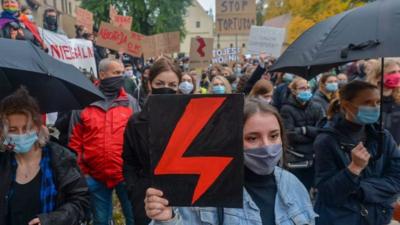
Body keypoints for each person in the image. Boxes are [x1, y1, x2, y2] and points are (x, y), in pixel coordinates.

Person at [144, 98, 317, 225]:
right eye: (252, 138)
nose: (266, 146)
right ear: (233, 140)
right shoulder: (205, 190)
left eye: (273, 136)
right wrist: (167, 220)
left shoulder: (293, 185)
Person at [314, 80, 400, 225]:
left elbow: (396, 179)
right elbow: (328, 193)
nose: (375, 107)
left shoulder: (382, 136)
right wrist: (353, 169)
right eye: (367, 103)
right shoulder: (326, 141)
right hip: (341, 220)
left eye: (377, 102)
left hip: (377, 217)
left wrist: (360, 189)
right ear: (347, 105)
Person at [0, 87, 89, 225]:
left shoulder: (60, 158)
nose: (21, 134)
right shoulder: (3, 161)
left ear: (37, 127)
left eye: (27, 128)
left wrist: (51, 220)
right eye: (13, 130)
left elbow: (81, 202)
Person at [69, 59, 140, 225]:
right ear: (102, 74)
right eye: (116, 73)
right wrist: (83, 171)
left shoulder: (130, 102)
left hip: (125, 175)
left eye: (122, 73)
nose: (121, 77)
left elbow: (138, 137)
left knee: (134, 218)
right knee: (100, 220)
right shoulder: (84, 102)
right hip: (94, 175)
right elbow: (74, 141)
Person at [123, 57, 182, 225]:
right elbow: (129, 162)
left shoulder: (190, 119)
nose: (166, 89)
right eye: (160, 83)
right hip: (146, 197)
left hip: (182, 195)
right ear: (150, 84)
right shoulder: (135, 122)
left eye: (172, 85)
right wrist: (134, 191)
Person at [280, 77, 324, 191]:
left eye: (308, 88)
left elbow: (322, 131)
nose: (306, 91)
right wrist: (312, 134)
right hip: (297, 157)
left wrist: (305, 130)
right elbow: (290, 135)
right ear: (294, 91)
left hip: (315, 155)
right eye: (302, 88)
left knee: (311, 187)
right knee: (297, 188)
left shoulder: (316, 107)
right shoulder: (286, 109)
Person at [366, 59, 400, 145]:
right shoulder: (367, 100)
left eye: (398, 71)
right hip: (376, 150)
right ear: (378, 76)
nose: (397, 75)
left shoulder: (398, 98)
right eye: (392, 72)